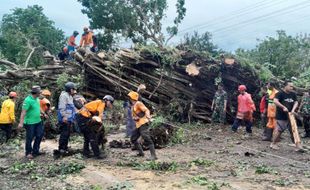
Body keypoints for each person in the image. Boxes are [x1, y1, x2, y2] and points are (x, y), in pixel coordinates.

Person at [270, 81, 301, 150]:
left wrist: (293, 110)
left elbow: (296, 102)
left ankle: (297, 145)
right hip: (281, 115)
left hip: (291, 115)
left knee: (293, 129)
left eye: (292, 86)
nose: (291, 88)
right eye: (290, 86)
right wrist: (283, 107)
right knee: (279, 130)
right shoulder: (280, 93)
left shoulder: (293, 94)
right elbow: (275, 101)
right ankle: (273, 143)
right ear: (285, 86)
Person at [128, 91, 157, 160]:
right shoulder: (133, 106)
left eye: (130, 97)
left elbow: (146, 110)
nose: (129, 99)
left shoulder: (138, 103)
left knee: (146, 137)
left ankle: (154, 156)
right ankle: (141, 153)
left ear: (133, 98)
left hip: (143, 123)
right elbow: (134, 117)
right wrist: (135, 118)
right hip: (138, 125)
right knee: (133, 139)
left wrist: (148, 116)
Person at [18, 86, 43, 159]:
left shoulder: (37, 99)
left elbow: (38, 107)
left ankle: (36, 151)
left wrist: (43, 113)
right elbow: (23, 112)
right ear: (36, 93)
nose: (40, 93)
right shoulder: (27, 100)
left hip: (38, 121)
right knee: (30, 137)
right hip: (29, 123)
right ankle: (28, 152)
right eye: (39, 92)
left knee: (39, 135)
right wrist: (21, 123)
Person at [57, 82, 77, 154]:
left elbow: (72, 107)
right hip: (64, 118)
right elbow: (62, 107)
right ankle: (61, 148)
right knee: (64, 134)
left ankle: (65, 147)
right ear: (70, 89)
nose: (74, 91)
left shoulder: (70, 96)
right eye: (73, 89)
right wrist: (64, 116)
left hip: (69, 118)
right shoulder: (64, 96)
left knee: (67, 133)